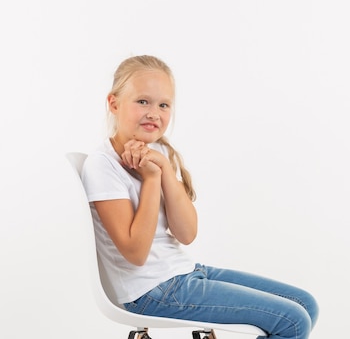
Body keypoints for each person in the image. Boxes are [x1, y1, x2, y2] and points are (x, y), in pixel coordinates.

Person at [81, 55, 319, 339]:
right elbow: (136, 253)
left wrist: (164, 168)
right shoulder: (102, 165)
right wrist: (152, 180)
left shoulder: (159, 154)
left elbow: (186, 233)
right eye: (142, 101)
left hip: (184, 272)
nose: (154, 113)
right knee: (292, 322)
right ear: (114, 103)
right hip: (150, 290)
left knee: (305, 305)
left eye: (163, 104)